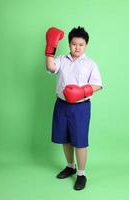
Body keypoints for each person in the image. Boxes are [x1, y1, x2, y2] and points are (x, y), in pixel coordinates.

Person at [45, 26, 102, 190]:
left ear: (86, 45)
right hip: (61, 104)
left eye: (81, 44)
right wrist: (49, 47)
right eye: (74, 44)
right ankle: (70, 166)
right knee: (65, 138)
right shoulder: (62, 59)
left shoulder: (90, 64)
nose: (77, 47)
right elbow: (50, 67)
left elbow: (98, 84)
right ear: (69, 44)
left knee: (80, 141)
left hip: (80, 107)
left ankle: (82, 174)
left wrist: (82, 92)